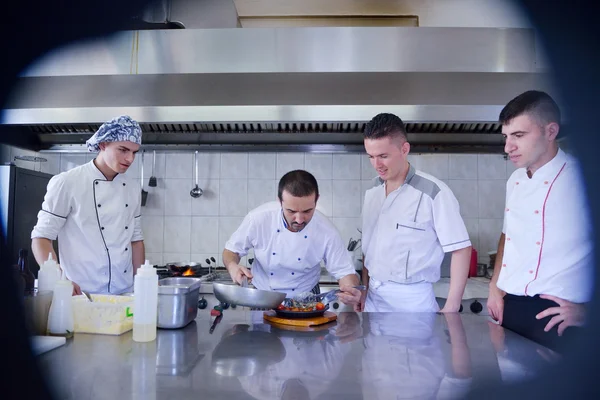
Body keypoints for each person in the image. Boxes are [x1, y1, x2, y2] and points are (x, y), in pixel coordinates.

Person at [486, 90, 593, 352]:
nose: (507, 147)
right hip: (511, 309)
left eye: (518, 136)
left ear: (550, 131)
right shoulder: (515, 181)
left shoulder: (584, 179)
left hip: (559, 316)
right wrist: (494, 286)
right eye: (506, 137)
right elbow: (507, 235)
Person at [358, 113, 472, 312]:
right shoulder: (371, 191)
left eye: (383, 156)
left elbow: (462, 249)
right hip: (373, 299)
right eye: (371, 157)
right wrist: (365, 289)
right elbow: (369, 250)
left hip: (412, 301)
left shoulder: (434, 192)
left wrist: (452, 305)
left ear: (404, 149)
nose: (377, 165)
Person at [31, 115, 145, 295]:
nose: (130, 159)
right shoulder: (67, 182)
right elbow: (41, 238)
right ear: (103, 145)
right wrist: (60, 279)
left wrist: (142, 284)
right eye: (123, 150)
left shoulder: (132, 187)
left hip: (125, 294)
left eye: (134, 152)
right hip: (81, 293)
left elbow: (136, 239)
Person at [223, 170, 362, 305]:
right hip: (264, 296)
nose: (299, 220)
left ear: (316, 199)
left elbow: (345, 272)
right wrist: (232, 266)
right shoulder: (258, 219)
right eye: (291, 211)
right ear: (280, 201)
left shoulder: (327, 231)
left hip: (307, 298)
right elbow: (231, 251)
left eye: (307, 211)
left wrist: (351, 290)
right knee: (261, 329)